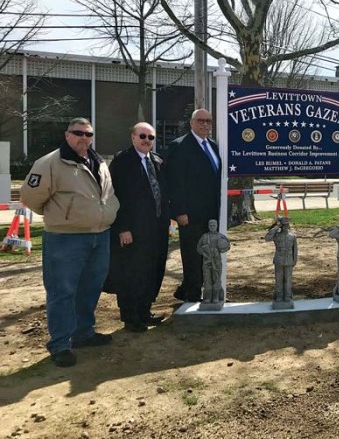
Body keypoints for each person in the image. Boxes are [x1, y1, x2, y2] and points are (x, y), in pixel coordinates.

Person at [20, 117, 119, 367]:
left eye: (88, 134)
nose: (84, 138)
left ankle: (83, 332)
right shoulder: (50, 163)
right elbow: (30, 197)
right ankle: (60, 344)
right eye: (78, 133)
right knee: (62, 292)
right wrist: (63, 216)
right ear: (67, 135)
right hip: (65, 239)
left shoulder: (98, 160)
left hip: (99, 235)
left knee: (91, 287)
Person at [105, 122, 169, 332]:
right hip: (132, 230)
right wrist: (122, 228)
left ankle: (144, 311)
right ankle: (130, 317)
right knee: (131, 272)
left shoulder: (157, 161)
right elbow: (115, 196)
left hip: (156, 228)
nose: (146, 141)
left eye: (151, 137)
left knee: (151, 270)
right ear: (133, 137)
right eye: (142, 136)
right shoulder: (122, 161)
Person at [165, 109, 222, 302]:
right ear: (191, 122)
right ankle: (192, 295)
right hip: (190, 214)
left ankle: (188, 289)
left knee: (208, 256)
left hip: (211, 214)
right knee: (192, 255)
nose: (205, 124)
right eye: (200, 121)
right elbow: (175, 182)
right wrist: (179, 211)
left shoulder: (213, 146)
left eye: (208, 121)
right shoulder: (180, 146)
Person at [265, 216, 298, 307]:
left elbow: (295, 249)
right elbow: (267, 238)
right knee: (278, 279)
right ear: (281, 226)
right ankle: (279, 295)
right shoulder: (277, 235)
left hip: (289, 260)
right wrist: (276, 228)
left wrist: (294, 260)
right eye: (284, 225)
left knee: (288, 279)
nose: (286, 226)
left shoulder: (292, 236)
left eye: (287, 224)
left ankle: (287, 295)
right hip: (279, 259)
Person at [197, 219, 230, 306]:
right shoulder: (204, 236)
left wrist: (221, 248)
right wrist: (205, 252)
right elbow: (198, 248)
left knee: (216, 279)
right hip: (207, 261)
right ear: (208, 226)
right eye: (210, 225)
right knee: (207, 279)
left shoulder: (220, 236)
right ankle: (207, 297)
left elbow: (227, 246)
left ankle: (216, 296)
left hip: (217, 261)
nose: (212, 227)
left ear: (217, 226)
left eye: (214, 225)